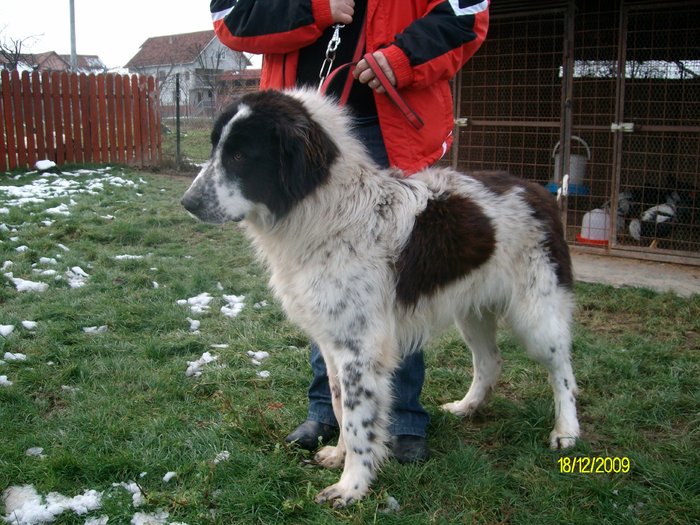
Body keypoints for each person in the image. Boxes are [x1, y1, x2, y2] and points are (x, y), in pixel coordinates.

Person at [209, 0, 489, 463]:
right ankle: (330, 412)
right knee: (317, 285)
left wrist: (403, 58)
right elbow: (230, 16)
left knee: (399, 282)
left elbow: (466, 14)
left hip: (391, 123)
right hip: (290, 130)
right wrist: (312, 8)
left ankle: (402, 417)